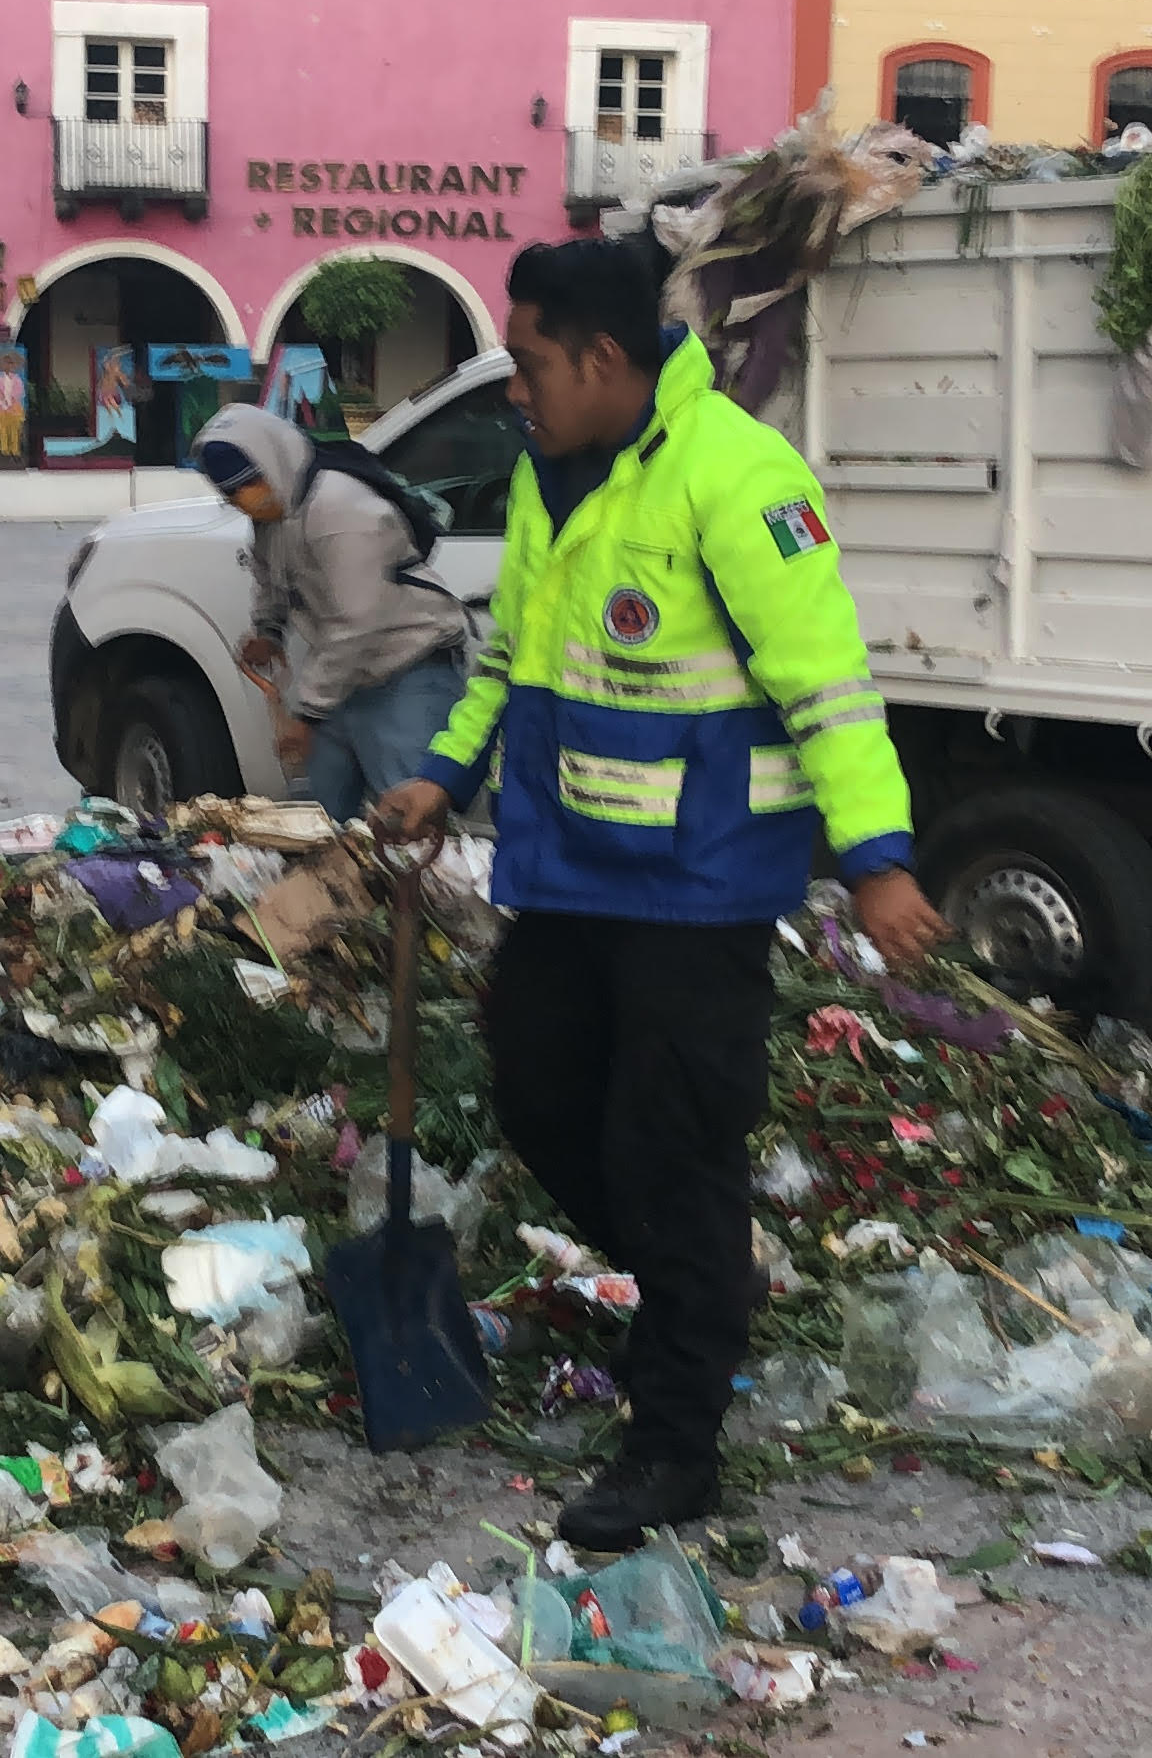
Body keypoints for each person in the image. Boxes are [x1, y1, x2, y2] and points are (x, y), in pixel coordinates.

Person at [371, 239, 945, 1548]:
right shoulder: (546, 475)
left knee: (671, 1153)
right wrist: (441, 773)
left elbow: (829, 687)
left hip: (698, 889)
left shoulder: (739, 479)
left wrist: (880, 862)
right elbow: (512, 644)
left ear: (605, 359)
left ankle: (676, 1443)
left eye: (528, 363)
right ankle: (705, 1283)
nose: (517, 387)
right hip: (570, 875)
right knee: (532, 1086)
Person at [194, 404, 471, 823]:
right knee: (316, 825)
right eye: (232, 493)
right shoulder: (275, 512)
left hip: (407, 675)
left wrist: (307, 714)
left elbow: (356, 621)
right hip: (346, 684)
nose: (243, 498)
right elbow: (272, 578)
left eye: (249, 484)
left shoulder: (341, 507)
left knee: (409, 833)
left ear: (273, 461)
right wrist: (268, 631)